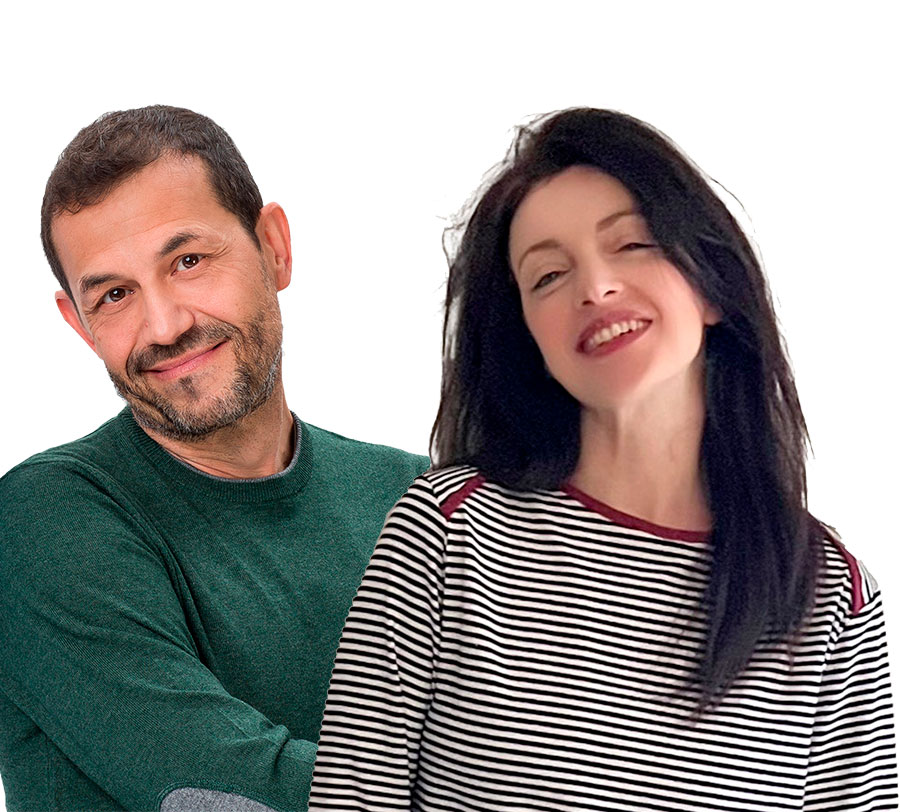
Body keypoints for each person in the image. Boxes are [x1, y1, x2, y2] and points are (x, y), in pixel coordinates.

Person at [308, 108, 898, 810]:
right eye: (549, 276)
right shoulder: (448, 531)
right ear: (530, 339)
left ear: (710, 284)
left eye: (633, 244)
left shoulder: (828, 593)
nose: (595, 287)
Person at [0, 106, 428, 812]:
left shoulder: (421, 497)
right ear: (78, 323)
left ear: (274, 248)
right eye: (114, 295)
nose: (165, 325)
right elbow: (229, 795)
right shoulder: (44, 522)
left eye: (188, 262)